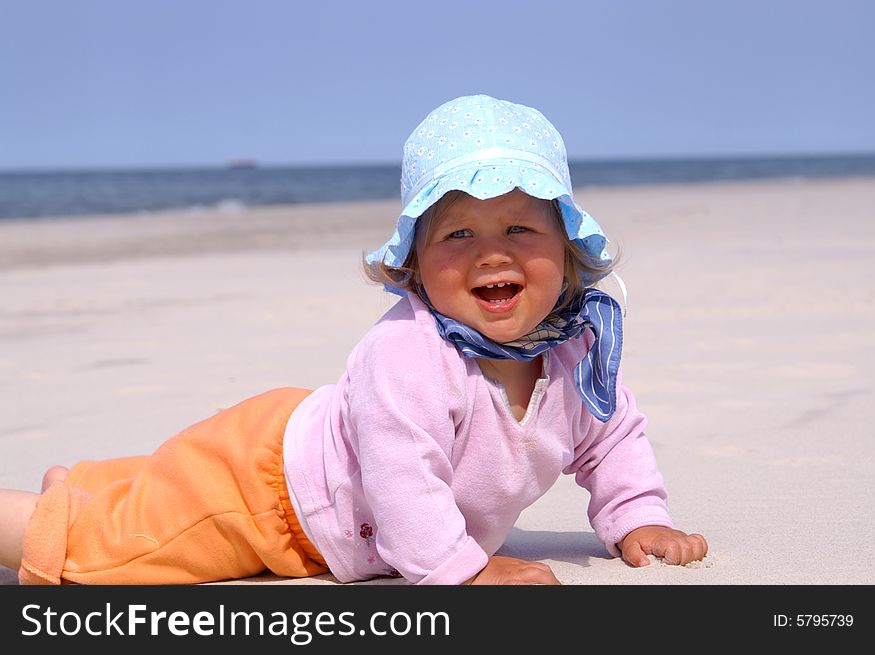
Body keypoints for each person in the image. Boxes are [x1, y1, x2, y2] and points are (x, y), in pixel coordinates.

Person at [0, 94, 708, 586]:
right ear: (416, 264)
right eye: (458, 233)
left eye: (521, 228)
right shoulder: (408, 350)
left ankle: (88, 482)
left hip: (296, 450)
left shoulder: (577, 354)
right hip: (267, 494)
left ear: (568, 248)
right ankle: (54, 506)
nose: (493, 253)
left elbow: (612, 439)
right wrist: (462, 570)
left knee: (151, 491)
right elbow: (401, 477)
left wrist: (636, 517)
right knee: (101, 552)